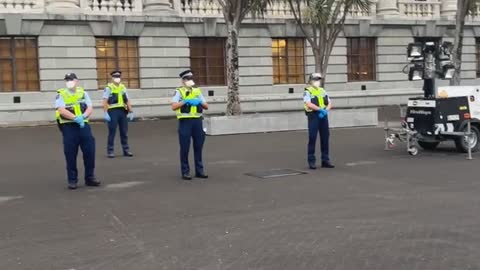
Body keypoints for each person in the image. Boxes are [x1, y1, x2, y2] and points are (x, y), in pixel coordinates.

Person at [55, 73, 101, 190]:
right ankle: (72, 180)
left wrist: (83, 116)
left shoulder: (83, 93)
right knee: (70, 154)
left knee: (90, 152)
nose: (69, 82)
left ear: (76, 81)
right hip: (69, 127)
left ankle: (90, 178)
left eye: (71, 80)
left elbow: (90, 107)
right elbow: (61, 110)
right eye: (67, 80)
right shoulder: (61, 94)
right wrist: (75, 118)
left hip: (83, 126)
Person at [171, 70, 209, 180]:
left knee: (198, 147)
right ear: (183, 81)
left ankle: (199, 170)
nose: (190, 81)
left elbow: (206, 106)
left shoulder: (197, 91)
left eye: (191, 78)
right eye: (187, 79)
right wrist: (185, 101)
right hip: (185, 122)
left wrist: (199, 102)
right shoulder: (179, 91)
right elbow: (173, 106)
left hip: (197, 121)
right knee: (185, 148)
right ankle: (185, 171)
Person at [303, 73, 335, 169]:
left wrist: (325, 110)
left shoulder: (322, 90)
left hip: (323, 115)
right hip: (313, 115)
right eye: (316, 79)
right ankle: (311, 161)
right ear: (311, 80)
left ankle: (325, 160)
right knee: (312, 137)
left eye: (319, 80)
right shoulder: (307, 91)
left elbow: (329, 102)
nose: (318, 81)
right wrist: (319, 109)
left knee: (325, 137)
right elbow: (308, 104)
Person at [102, 71, 134, 158]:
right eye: (115, 76)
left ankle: (126, 150)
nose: (117, 78)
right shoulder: (109, 88)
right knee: (112, 131)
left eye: (118, 76)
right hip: (112, 111)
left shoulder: (123, 87)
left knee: (124, 131)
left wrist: (131, 111)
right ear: (112, 78)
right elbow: (104, 101)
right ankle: (110, 151)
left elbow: (127, 100)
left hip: (122, 111)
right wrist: (105, 113)